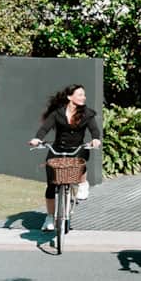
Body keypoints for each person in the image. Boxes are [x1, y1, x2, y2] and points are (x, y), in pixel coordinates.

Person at [28, 84, 102, 231]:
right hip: (57, 150)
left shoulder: (87, 113)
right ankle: (49, 218)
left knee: (81, 160)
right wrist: (37, 139)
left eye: (84, 95)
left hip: (77, 149)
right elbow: (44, 129)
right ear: (70, 97)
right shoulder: (58, 113)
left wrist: (95, 139)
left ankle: (82, 183)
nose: (83, 97)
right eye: (80, 94)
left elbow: (94, 130)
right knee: (51, 185)